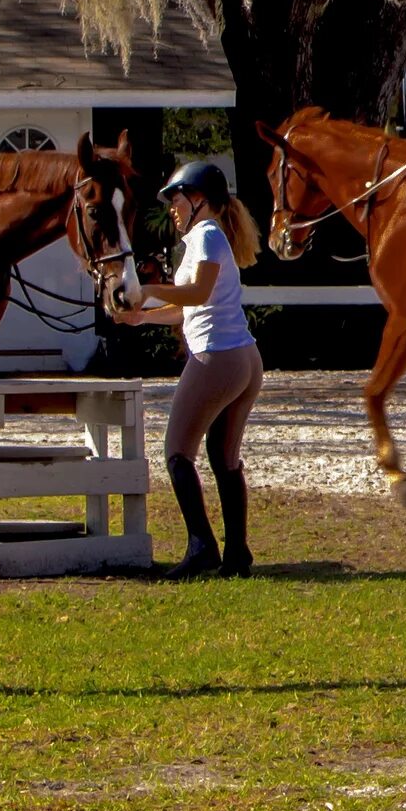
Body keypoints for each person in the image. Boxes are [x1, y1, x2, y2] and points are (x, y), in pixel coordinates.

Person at [115, 159, 263, 578]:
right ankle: (237, 555)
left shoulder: (206, 235)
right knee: (224, 456)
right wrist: (142, 316)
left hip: (218, 357)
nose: (173, 209)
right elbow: (187, 309)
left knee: (177, 451)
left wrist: (144, 289)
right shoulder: (211, 237)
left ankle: (202, 547)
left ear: (199, 199)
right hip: (244, 359)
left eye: (177, 200)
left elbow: (195, 294)